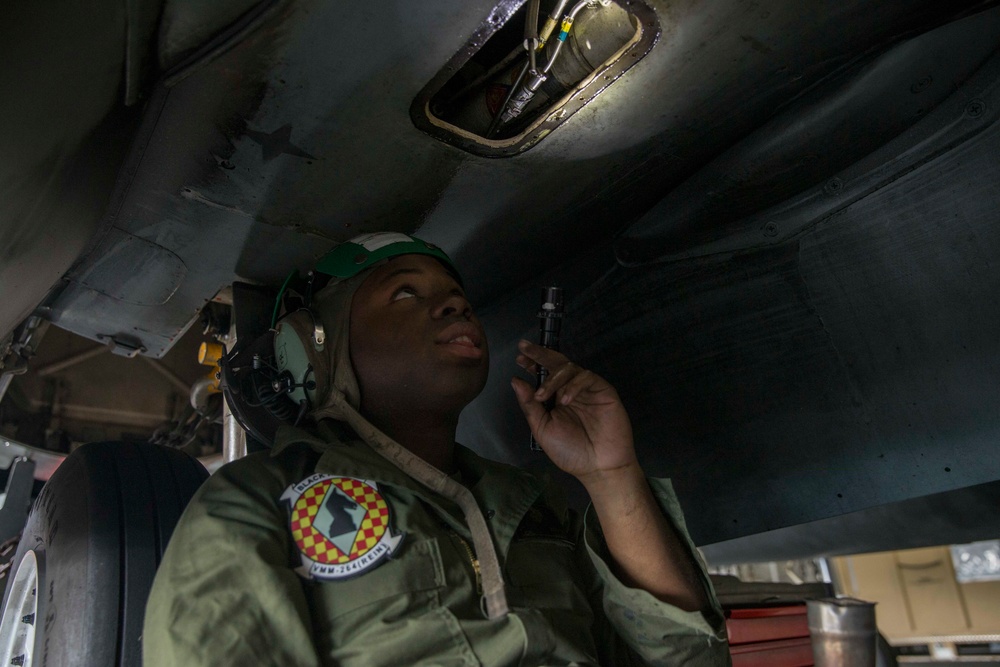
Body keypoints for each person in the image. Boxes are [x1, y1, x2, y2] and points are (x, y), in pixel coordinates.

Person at [143, 232, 731, 666]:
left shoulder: (537, 512)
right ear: (311, 353)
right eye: (403, 295)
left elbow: (689, 659)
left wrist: (611, 476)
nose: (455, 306)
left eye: (457, 297)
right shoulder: (253, 504)